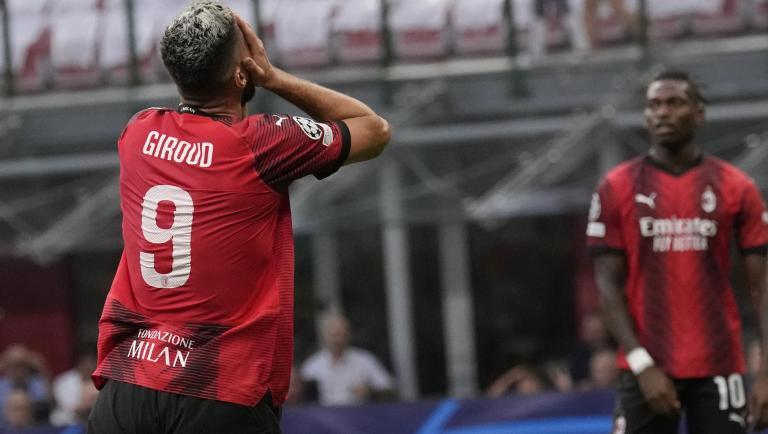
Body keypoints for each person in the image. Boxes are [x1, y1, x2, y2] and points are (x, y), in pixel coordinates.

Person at [87, 1, 390, 432]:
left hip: (128, 385)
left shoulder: (138, 132)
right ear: (242, 74)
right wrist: (274, 76)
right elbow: (373, 129)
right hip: (219, 388)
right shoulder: (262, 143)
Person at [587, 70, 768, 433]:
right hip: (644, 366)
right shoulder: (616, 186)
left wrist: (766, 372)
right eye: (654, 105)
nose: (663, 113)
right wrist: (642, 365)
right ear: (645, 116)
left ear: (698, 114)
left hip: (719, 365)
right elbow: (607, 286)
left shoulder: (736, 186)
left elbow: (763, 286)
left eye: (675, 103)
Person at [300, 314, 395, 406]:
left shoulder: (365, 360)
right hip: (322, 415)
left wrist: (369, 391)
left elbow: (389, 389)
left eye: (341, 334)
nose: (337, 339)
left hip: (358, 414)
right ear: (324, 336)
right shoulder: (313, 364)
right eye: (333, 334)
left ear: (349, 335)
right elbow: (298, 394)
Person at [0, 345, 50, 428]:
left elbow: (50, 404)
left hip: (33, 428)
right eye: (14, 365)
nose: (18, 369)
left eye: (22, 364)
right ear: (7, 366)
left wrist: (42, 370)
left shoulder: (37, 383)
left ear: (28, 366)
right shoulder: (1, 385)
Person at [51, 345, 98, 426]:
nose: (90, 366)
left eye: (93, 362)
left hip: (96, 423)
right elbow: (70, 406)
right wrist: (93, 399)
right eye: (87, 362)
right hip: (65, 424)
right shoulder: (63, 381)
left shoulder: (104, 380)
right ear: (79, 362)